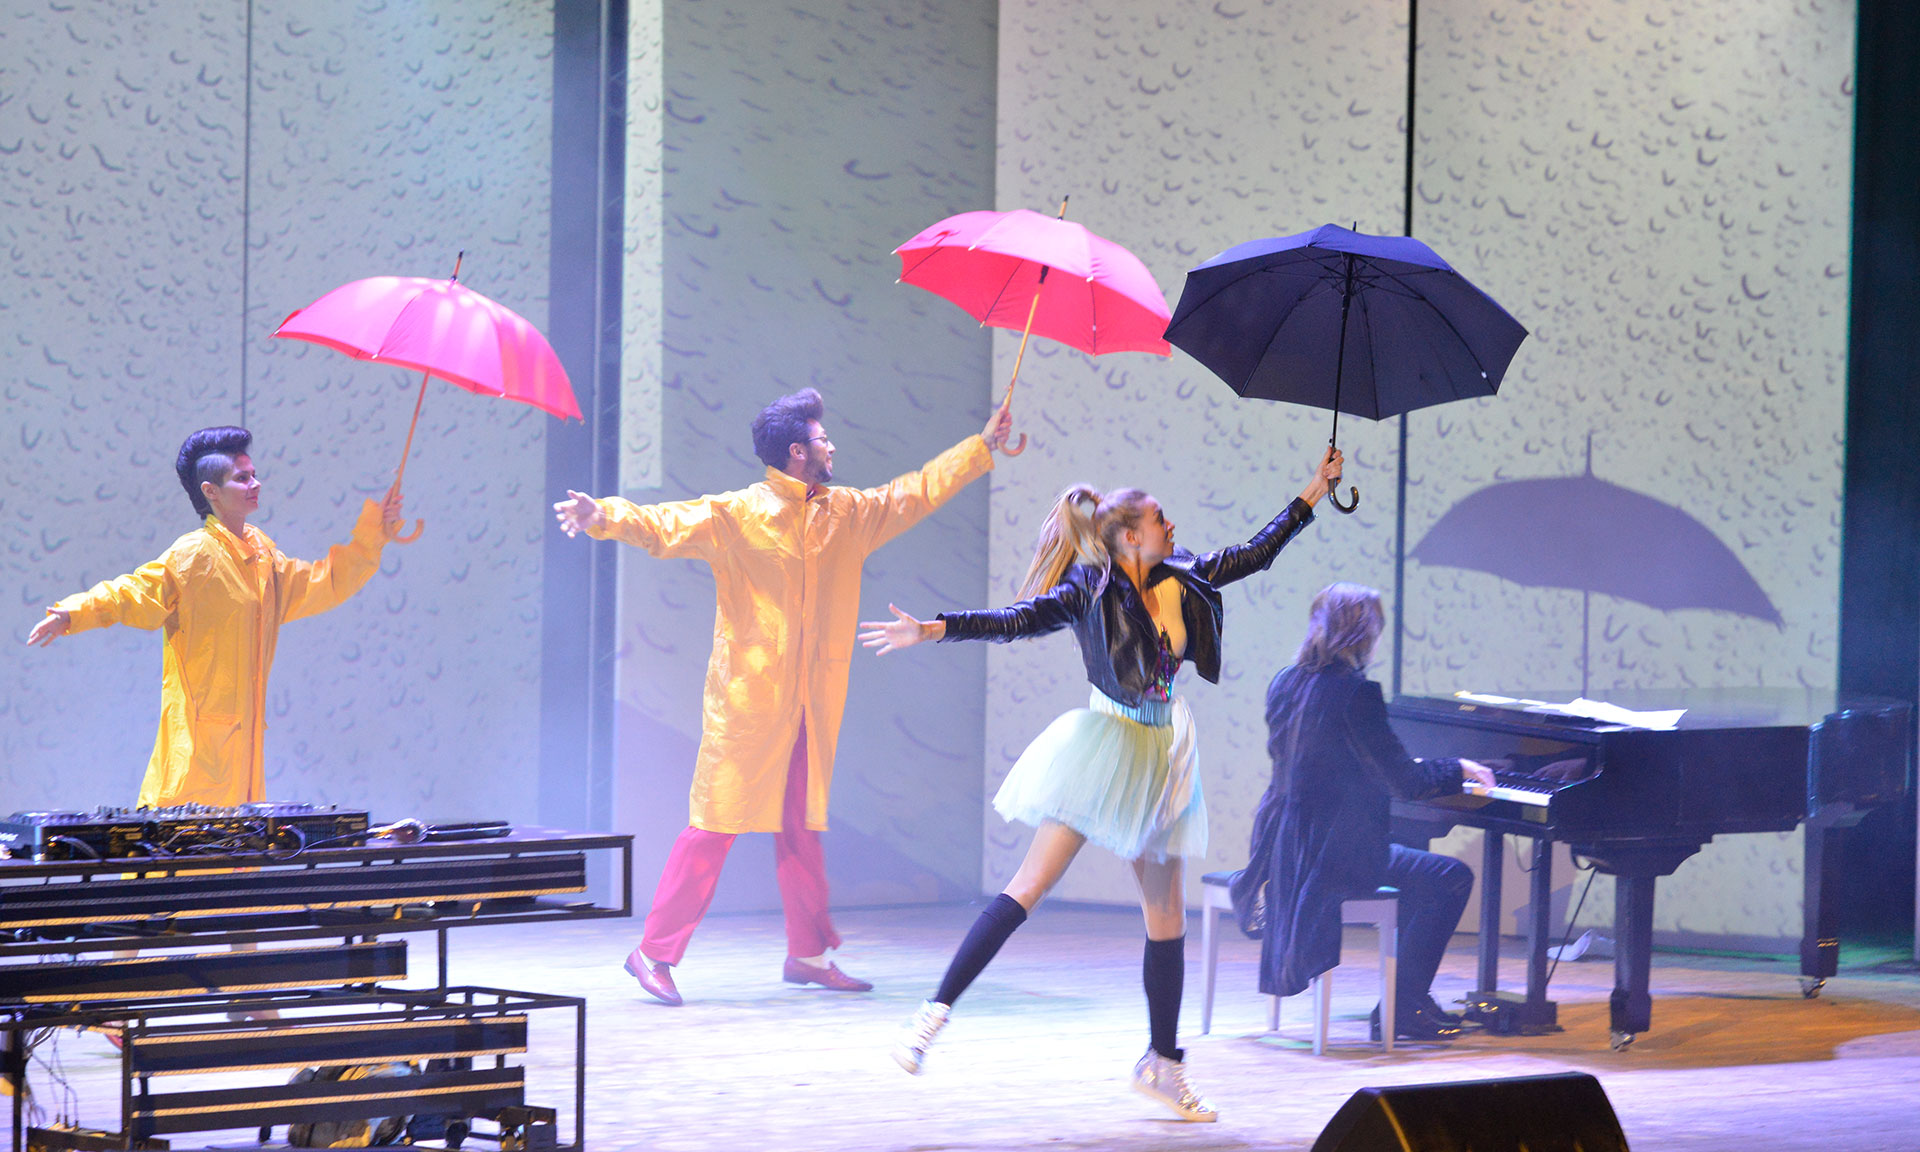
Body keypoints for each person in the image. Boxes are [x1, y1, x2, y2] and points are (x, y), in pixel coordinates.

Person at [857, 446, 1343, 1124]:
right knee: (1029, 886)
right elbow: (1018, 619)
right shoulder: (1089, 588)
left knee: (1166, 917)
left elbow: (1254, 554)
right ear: (1130, 536)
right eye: (1160, 519)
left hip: (1163, 753)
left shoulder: (1186, 572)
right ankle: (931, 1017)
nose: (1172, 526)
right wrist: (934, 629)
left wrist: (1314, 490)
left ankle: (1163, 1064)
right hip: (1106, 746)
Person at [554, 388, 1014, 1005]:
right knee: (713, 826)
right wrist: (602, 514)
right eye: (823, 439)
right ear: (798, 452)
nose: (832, 447)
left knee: (801, 826)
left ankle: (808, 955)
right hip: (747, 704)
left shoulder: (847, 513)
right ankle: (653, 953)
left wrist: (980, 448)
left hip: (808, 705)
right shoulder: (738, 513)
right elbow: (664, 524)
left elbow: (917, 491)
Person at [26, 426, 404, 809]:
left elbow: (327, 581)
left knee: (240, 839)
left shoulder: (264, 559)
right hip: (196, 756)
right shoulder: (193, 556)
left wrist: (374, 533)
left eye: (253, 474)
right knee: (185, 840)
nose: (255, 483)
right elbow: (133, 592)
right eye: (242, 478)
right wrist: (74, 612)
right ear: (211, 491)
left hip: (244, 758)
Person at [1229, 582, 1497, 1043]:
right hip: (1331, 857)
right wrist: (1458, 768)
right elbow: (1405, 781)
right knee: (1449, 877)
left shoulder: (1284, 682)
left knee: (1414, 871)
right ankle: (1403, 1004)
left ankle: (1403, 999)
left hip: (1281, 849)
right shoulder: (1357, 693)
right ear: (1364, 634)